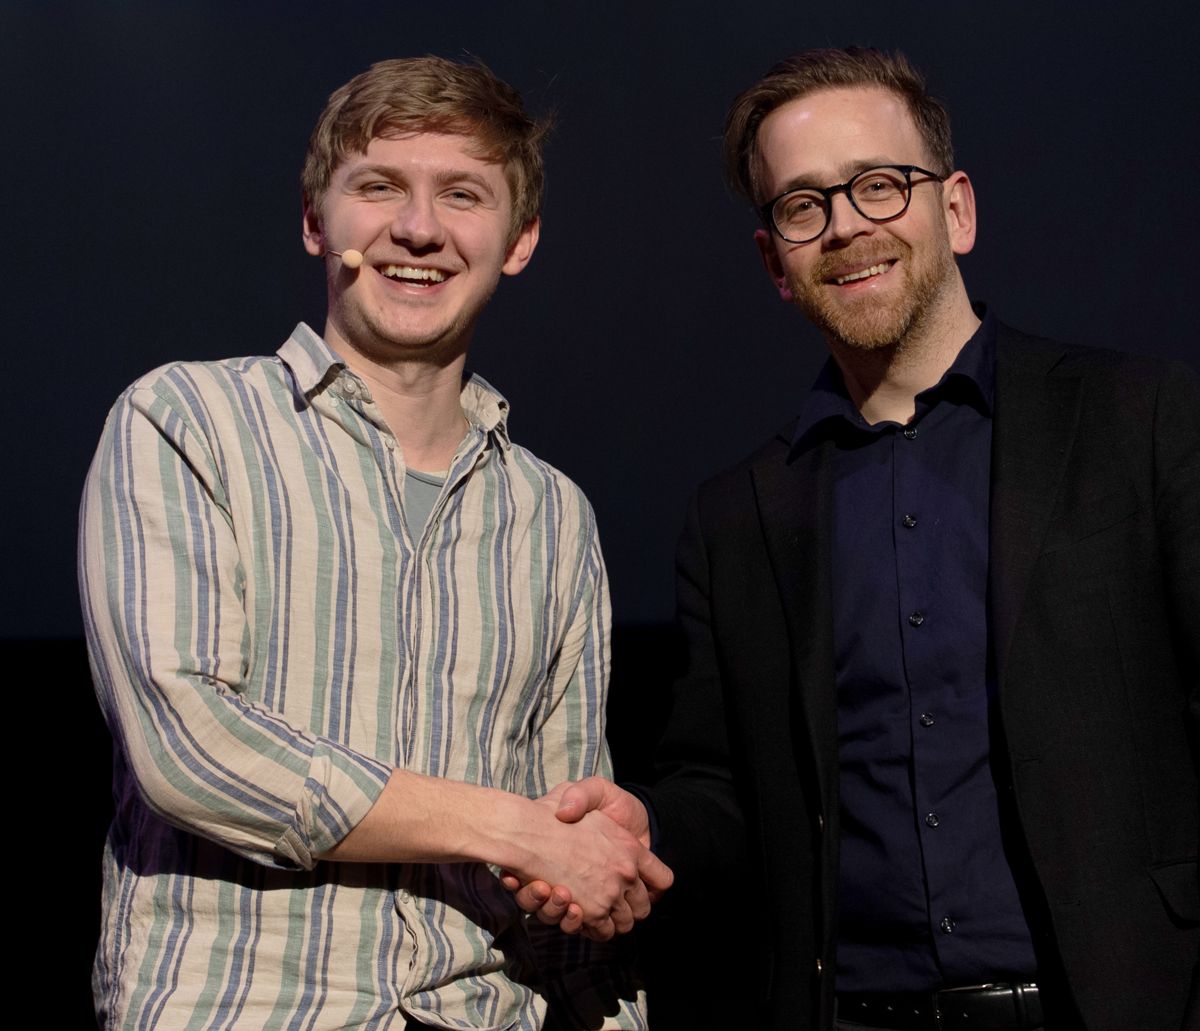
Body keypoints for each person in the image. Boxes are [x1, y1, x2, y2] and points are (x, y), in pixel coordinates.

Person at [513, 47, 1199, 1031]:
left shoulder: (1141, 421)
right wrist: (648, 822)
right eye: (804, 205)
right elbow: (724, 791)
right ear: (774, 262)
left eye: (880, 185)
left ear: (955, 208)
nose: (846, 226)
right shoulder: (736, 517)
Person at [79, 56, 670, 1030]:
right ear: (319, 220)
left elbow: (573, 851)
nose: (420, 228)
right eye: (380, 187)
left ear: (518, 241)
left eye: (464, 194)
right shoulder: (185, 421)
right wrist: (515, 829)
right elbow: (188, 746)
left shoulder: (555, 517)